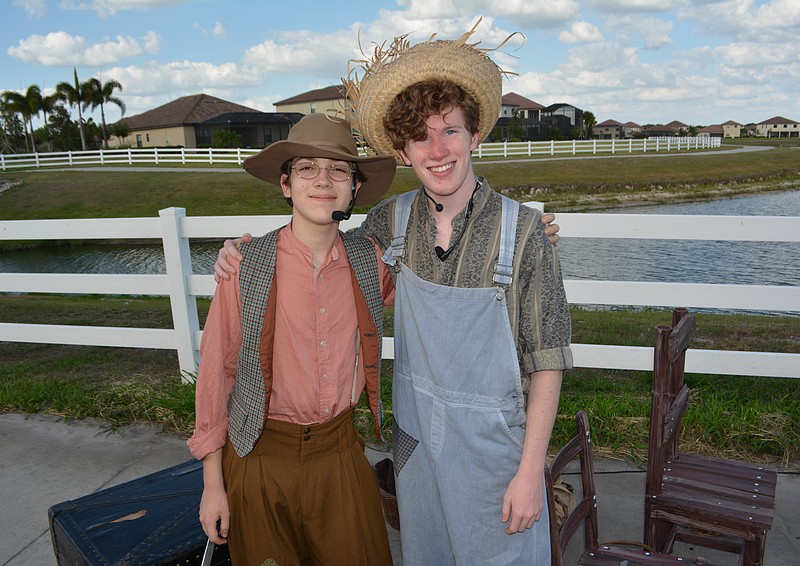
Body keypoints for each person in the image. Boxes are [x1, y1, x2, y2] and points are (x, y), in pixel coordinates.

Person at [215, 22, 572, 565]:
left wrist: (530, 473)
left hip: (495, 456)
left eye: (450, 131)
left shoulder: (525, 233)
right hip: (418, 451)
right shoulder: (391, 223)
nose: (437, 150)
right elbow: (324, 251)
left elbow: (547, 361)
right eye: (420, 137)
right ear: (403, 151)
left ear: (475, 135)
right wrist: (246, 253)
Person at [187, 113, 397, 566]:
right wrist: (212, 485)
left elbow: (445, 276)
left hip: (338, 453)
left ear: (354, 187)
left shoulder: (371, 263)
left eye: (339, 169)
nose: (323, 180)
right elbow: (218, 371)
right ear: (286, 184)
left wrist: (526, 239)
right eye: (307, 168)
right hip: (260, 457)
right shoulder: (245, 263)